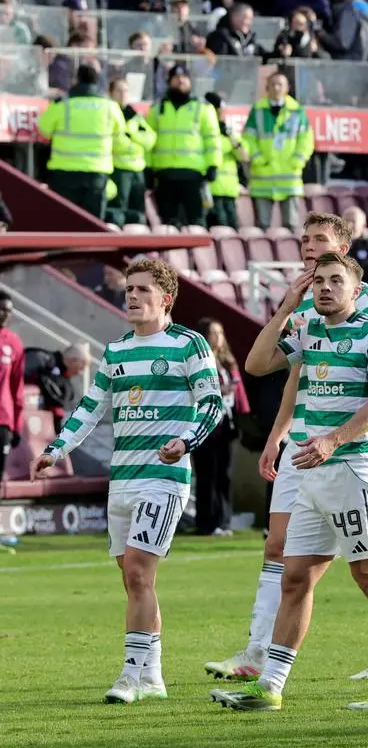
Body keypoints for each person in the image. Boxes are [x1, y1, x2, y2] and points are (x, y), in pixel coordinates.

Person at [204, 213, 368, 684]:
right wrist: (277, 435)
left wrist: (332, 438)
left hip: (344, 448)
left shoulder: (363, 303)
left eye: (321, 240)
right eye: (305, 239)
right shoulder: (308, 306)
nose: (309, 247)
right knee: (280, 548)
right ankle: (259, 654)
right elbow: (296, 373)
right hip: (304, 443)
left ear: (345, 248)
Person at [35, 259, 224, 703]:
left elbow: (213, 403)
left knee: (139, 570)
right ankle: (153, 675)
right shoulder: (117, 349)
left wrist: (185, 441)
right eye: (129, 290)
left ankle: (129, 676)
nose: (133, 297)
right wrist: (55, 449)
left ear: (166, 299)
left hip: (164, 477)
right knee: (134, 580)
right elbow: (89, 407)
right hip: (122, 479)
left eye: (142, 290)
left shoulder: (189, 344)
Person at [37, 65, 126, 221]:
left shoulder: (62, 104)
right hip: (97, 172)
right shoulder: (110, 106)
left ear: (76, 80)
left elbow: (43, 129)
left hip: (64, 172)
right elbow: (120, 137)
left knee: (64, 220)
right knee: (93, 222)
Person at [148, 66, 221, 229]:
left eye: (184, 78)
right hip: (165, 173)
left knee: (196, 222)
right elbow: (149, 139)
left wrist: (213, 165)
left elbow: (212, 139)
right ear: (169, 82)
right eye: (176, 77)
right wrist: (147, 167)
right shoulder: (157, 108)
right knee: (167, 224)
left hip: (193, 174)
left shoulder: (203, 107)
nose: (180, 81)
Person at [242, 72, 314, 231]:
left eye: (280, 84)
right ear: (267, 88)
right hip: (263, 176)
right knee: (262, 226)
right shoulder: (257, 110)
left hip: (289, 176)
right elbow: (248, 138)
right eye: (273, 84)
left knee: (292, 225)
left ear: (287, 88)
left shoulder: (297, 111)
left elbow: (306, 140)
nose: (276, 88)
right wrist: (257, 158)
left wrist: (298, 160)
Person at [193, 318, 241, 537]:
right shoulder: (198, 360)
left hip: (226, 425)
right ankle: (207, 522)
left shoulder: (225, 362)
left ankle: (224, 520)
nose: (218, 337)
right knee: (207, 474)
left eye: (220, 332)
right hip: (205, 424)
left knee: (225, 474)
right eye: (213, 332)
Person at [106, 77, 155, 227]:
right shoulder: (108, 113)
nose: (123, 95)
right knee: (120, 211)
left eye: (126, 91)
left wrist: (132, 135)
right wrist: (135, 141)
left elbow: (150, 140)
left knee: (138, 211)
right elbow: (117, 142)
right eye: (119, 91)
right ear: (111, 93)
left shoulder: (134, 115)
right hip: (118, 169)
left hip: (137, 171)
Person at [205, 93, 246, 229]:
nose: (223, 112)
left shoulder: (227, 130)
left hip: (230, 190)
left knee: (234, 228)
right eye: (220, 108)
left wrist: (231, 141)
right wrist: (231, 144)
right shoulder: (207, 129)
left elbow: (244, 154)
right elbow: (216, 147)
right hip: (213, 190)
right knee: (220, 228)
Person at [0, 292, 23, 474]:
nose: (5, 314)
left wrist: (17, 424)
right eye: (1, 309)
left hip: (3, 419)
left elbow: (17, 386)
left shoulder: (13, 342)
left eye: (8, 310)